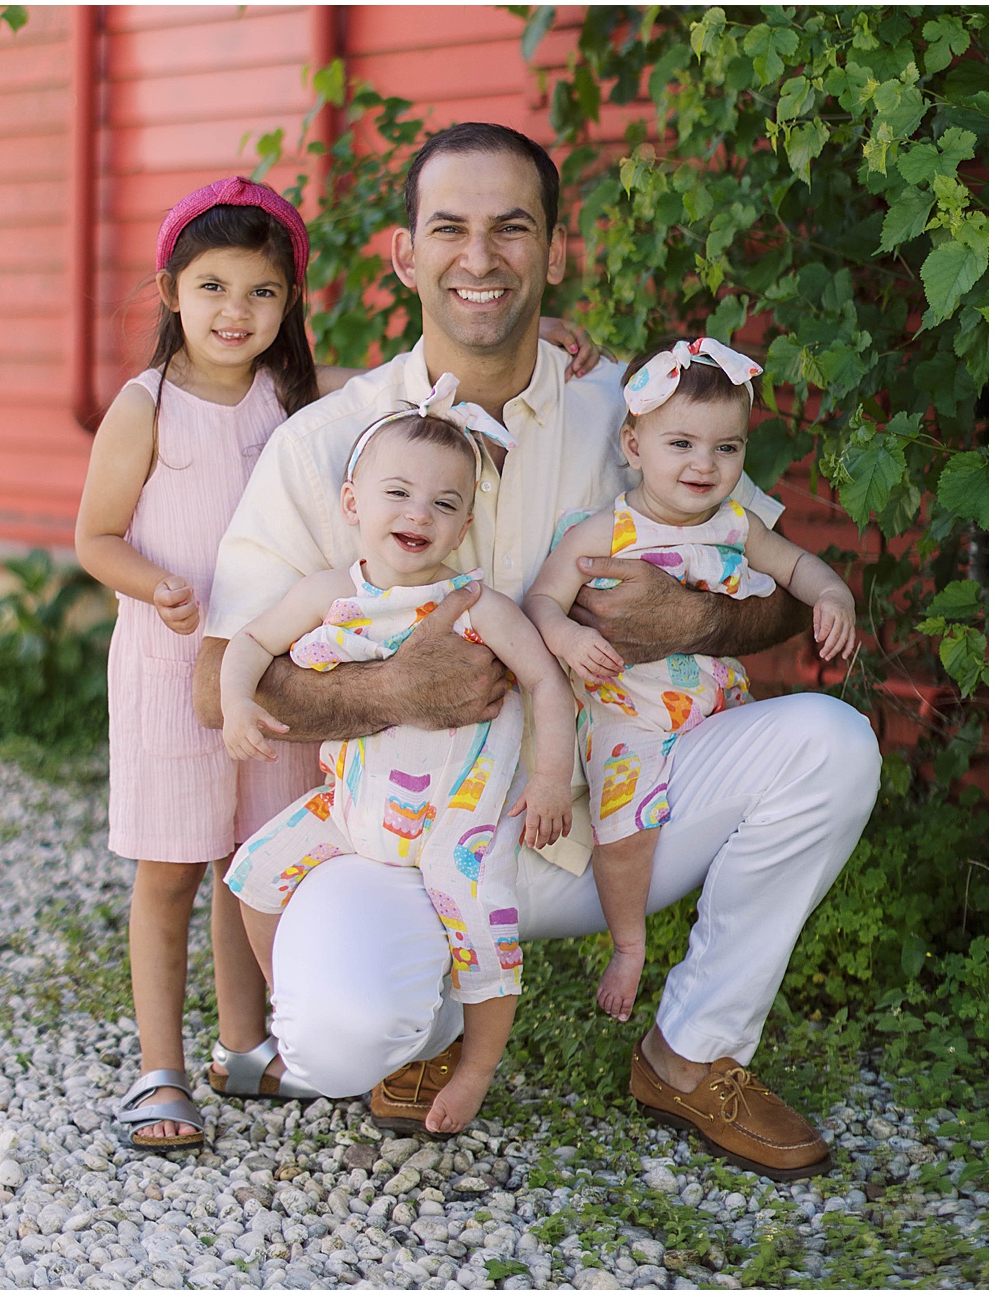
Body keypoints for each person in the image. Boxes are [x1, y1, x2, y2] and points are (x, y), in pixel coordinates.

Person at [192, 121, 878, 1180]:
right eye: (449, 228)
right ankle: (411, 1031)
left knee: (829, 744)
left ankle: (691, 1054)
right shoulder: (329, 441)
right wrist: (389, 687)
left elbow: (781, 599)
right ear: (403, 254)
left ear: (554, 252)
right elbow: (217, 671)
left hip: (599, 806)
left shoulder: (631, 415)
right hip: (407, 835)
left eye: (511, 228)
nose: (479, 257)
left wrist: (692, 620)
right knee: (335, 1036)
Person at [76, 176, 597, 1150]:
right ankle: (158, 1069)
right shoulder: (145, 405)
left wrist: (539, 336)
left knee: (249, 855)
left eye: (262, 292)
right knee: (169, 867)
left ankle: (246, 1043)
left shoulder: (297, 397)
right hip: (169, 663)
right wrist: (152, 585)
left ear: (288, 305)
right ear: (168, 291)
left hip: (282, 675)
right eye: (213, 287)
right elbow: (94, 533)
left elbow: (411, 384)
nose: (236, 311)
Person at [217, 378, 578, 1133]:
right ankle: (293, 991)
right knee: (251, 873)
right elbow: (248, 641)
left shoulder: (479, 606)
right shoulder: (328, 594)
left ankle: (476, 1064)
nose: (419, 513)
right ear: (353, 503)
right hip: (351, 816)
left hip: (455, 827)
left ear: (463, 525)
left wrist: (549, 778)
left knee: (485, 938)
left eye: (445, 504)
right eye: (398, 493)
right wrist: (237, 702)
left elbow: (546, 677)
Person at [525, 337, 858, 1021]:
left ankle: (722, 977)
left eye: (726, 449)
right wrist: (571, 635)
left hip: (717, 710)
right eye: (681, 443)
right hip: (629, 715)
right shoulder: (606, 531)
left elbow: (800, 567)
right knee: (624, 831)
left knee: (787, 779)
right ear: (633, 445)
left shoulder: (736, 524)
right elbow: (540, 600)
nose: (704, 464)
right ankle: (628, 942)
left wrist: (834, 597)